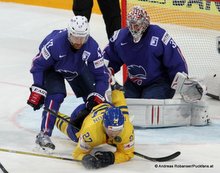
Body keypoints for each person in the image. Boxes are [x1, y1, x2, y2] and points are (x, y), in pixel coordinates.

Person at [27, 15, 109, 151]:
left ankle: (103, 130)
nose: (78, 42)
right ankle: (44, 134)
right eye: (75, 37)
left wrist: (98, 95)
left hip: (77, 68)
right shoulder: (55, 43)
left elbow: (102, 76)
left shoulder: (92, 47)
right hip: (53, 69)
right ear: (69, 33)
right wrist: (38, 88)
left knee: (96, 100)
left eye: (82, 38)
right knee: (56, 95)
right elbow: (38, 65)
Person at [103, 6, 188, 99]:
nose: (134, 28)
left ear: (145, 23)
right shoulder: (120, 37)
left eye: (137, 25)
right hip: (134, 83)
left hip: (159, 83)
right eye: (131, 25)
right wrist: (107, 70)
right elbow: (108, 57)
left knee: (147, 102)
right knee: (125, 102)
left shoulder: (159, 35)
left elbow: (175, 59)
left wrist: (181, 83)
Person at [55, 81, 134, 169]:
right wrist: (85, 158)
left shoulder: (127, 127)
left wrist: (112, 158)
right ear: (104, 125)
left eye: (118, 130)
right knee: (72, 133)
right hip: (83, 116)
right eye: (111, 130)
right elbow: (77, 153)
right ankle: (53, 116)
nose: (114, 134)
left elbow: (121, 105)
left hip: (103, 107)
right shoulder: (90, 133)